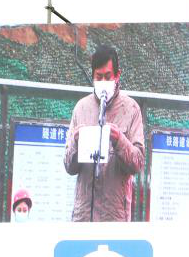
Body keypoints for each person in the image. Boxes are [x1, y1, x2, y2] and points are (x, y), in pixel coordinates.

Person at [62, 44, 145, 222]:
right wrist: (76, 142)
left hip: (114, 217)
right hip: (84, 217)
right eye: (98, 77)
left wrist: (120, 140)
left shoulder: (131, 109)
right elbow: (69, 166)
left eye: (108, 76)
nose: (103, 81)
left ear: (117, 75)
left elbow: (138, 163)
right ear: (92, 76)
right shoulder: (81, 108)